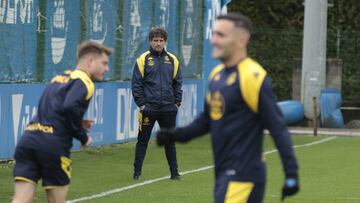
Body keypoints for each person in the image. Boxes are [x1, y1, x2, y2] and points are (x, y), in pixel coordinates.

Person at [157, 13, 299, 202]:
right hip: (225, 173)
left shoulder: (253, 77)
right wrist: (175, 134)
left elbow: (277, 128)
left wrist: (291, 173)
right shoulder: (217, 75)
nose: (214, 40)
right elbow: (206, 121)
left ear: (242, 40)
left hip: (244, 175)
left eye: (221, 35)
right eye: (214, 34)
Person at [12, 41, 112, 203]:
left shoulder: (60, 77)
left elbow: (54, 109)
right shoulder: (85, 82)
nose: (107, 69)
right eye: (104, 63)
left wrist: (78, 122)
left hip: (29, 140)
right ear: (90, 62)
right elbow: (69, 107)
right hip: (52, 145)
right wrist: (83, 137)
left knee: (21, 199)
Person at [132, 27, 182, 180]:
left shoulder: (173, 60)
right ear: (150, 41)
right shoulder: (143, 59)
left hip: (168, 109)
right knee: (142, 141)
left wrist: (177, 103)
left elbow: (177, 82)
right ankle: (137, 173)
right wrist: (142, 104)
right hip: (149, 109)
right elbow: (136, 84)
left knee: (170, 142)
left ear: (165, 42)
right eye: (155, 40)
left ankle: (174, 173)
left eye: (161, 41)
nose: (158, 43)